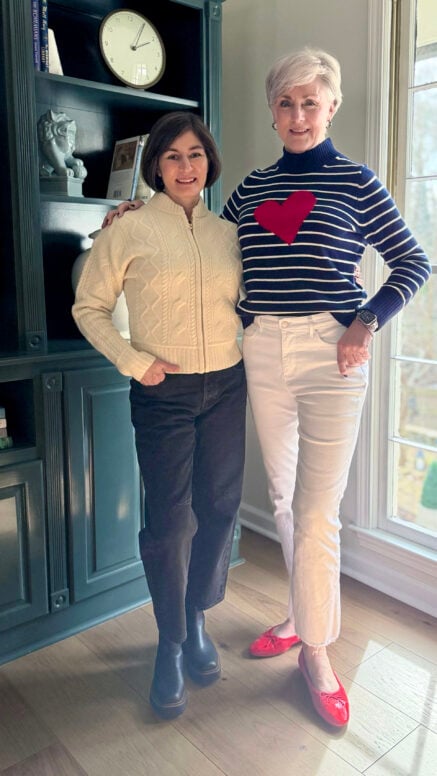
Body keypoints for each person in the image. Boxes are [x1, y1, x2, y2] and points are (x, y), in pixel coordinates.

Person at [103, 48, 431, 728]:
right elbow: (201, 240)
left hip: (333, 352)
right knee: (282, 499)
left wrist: (365, 321)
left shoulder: (356, 182)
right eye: (286, 103)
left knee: (315, 510)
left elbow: (411, 260)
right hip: (258, 348)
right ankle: (300, 612)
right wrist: (136, 213)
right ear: (272, 112)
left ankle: (314, 651)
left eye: (311, 102)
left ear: (330, 107)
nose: (298, 115)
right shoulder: (250, 190)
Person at [72, 112, 247, 721]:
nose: (185, 166)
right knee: (170, 521)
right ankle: (170, 642)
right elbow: (89, 306)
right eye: (172, 156)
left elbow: (252, 304)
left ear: (210, 161)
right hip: (163, 392)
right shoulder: (128, 229)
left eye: (195, 154)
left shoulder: (229, 234)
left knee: (219, 506)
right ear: (155, 166)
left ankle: (198, 617)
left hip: (227, 384)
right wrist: (133, 360)